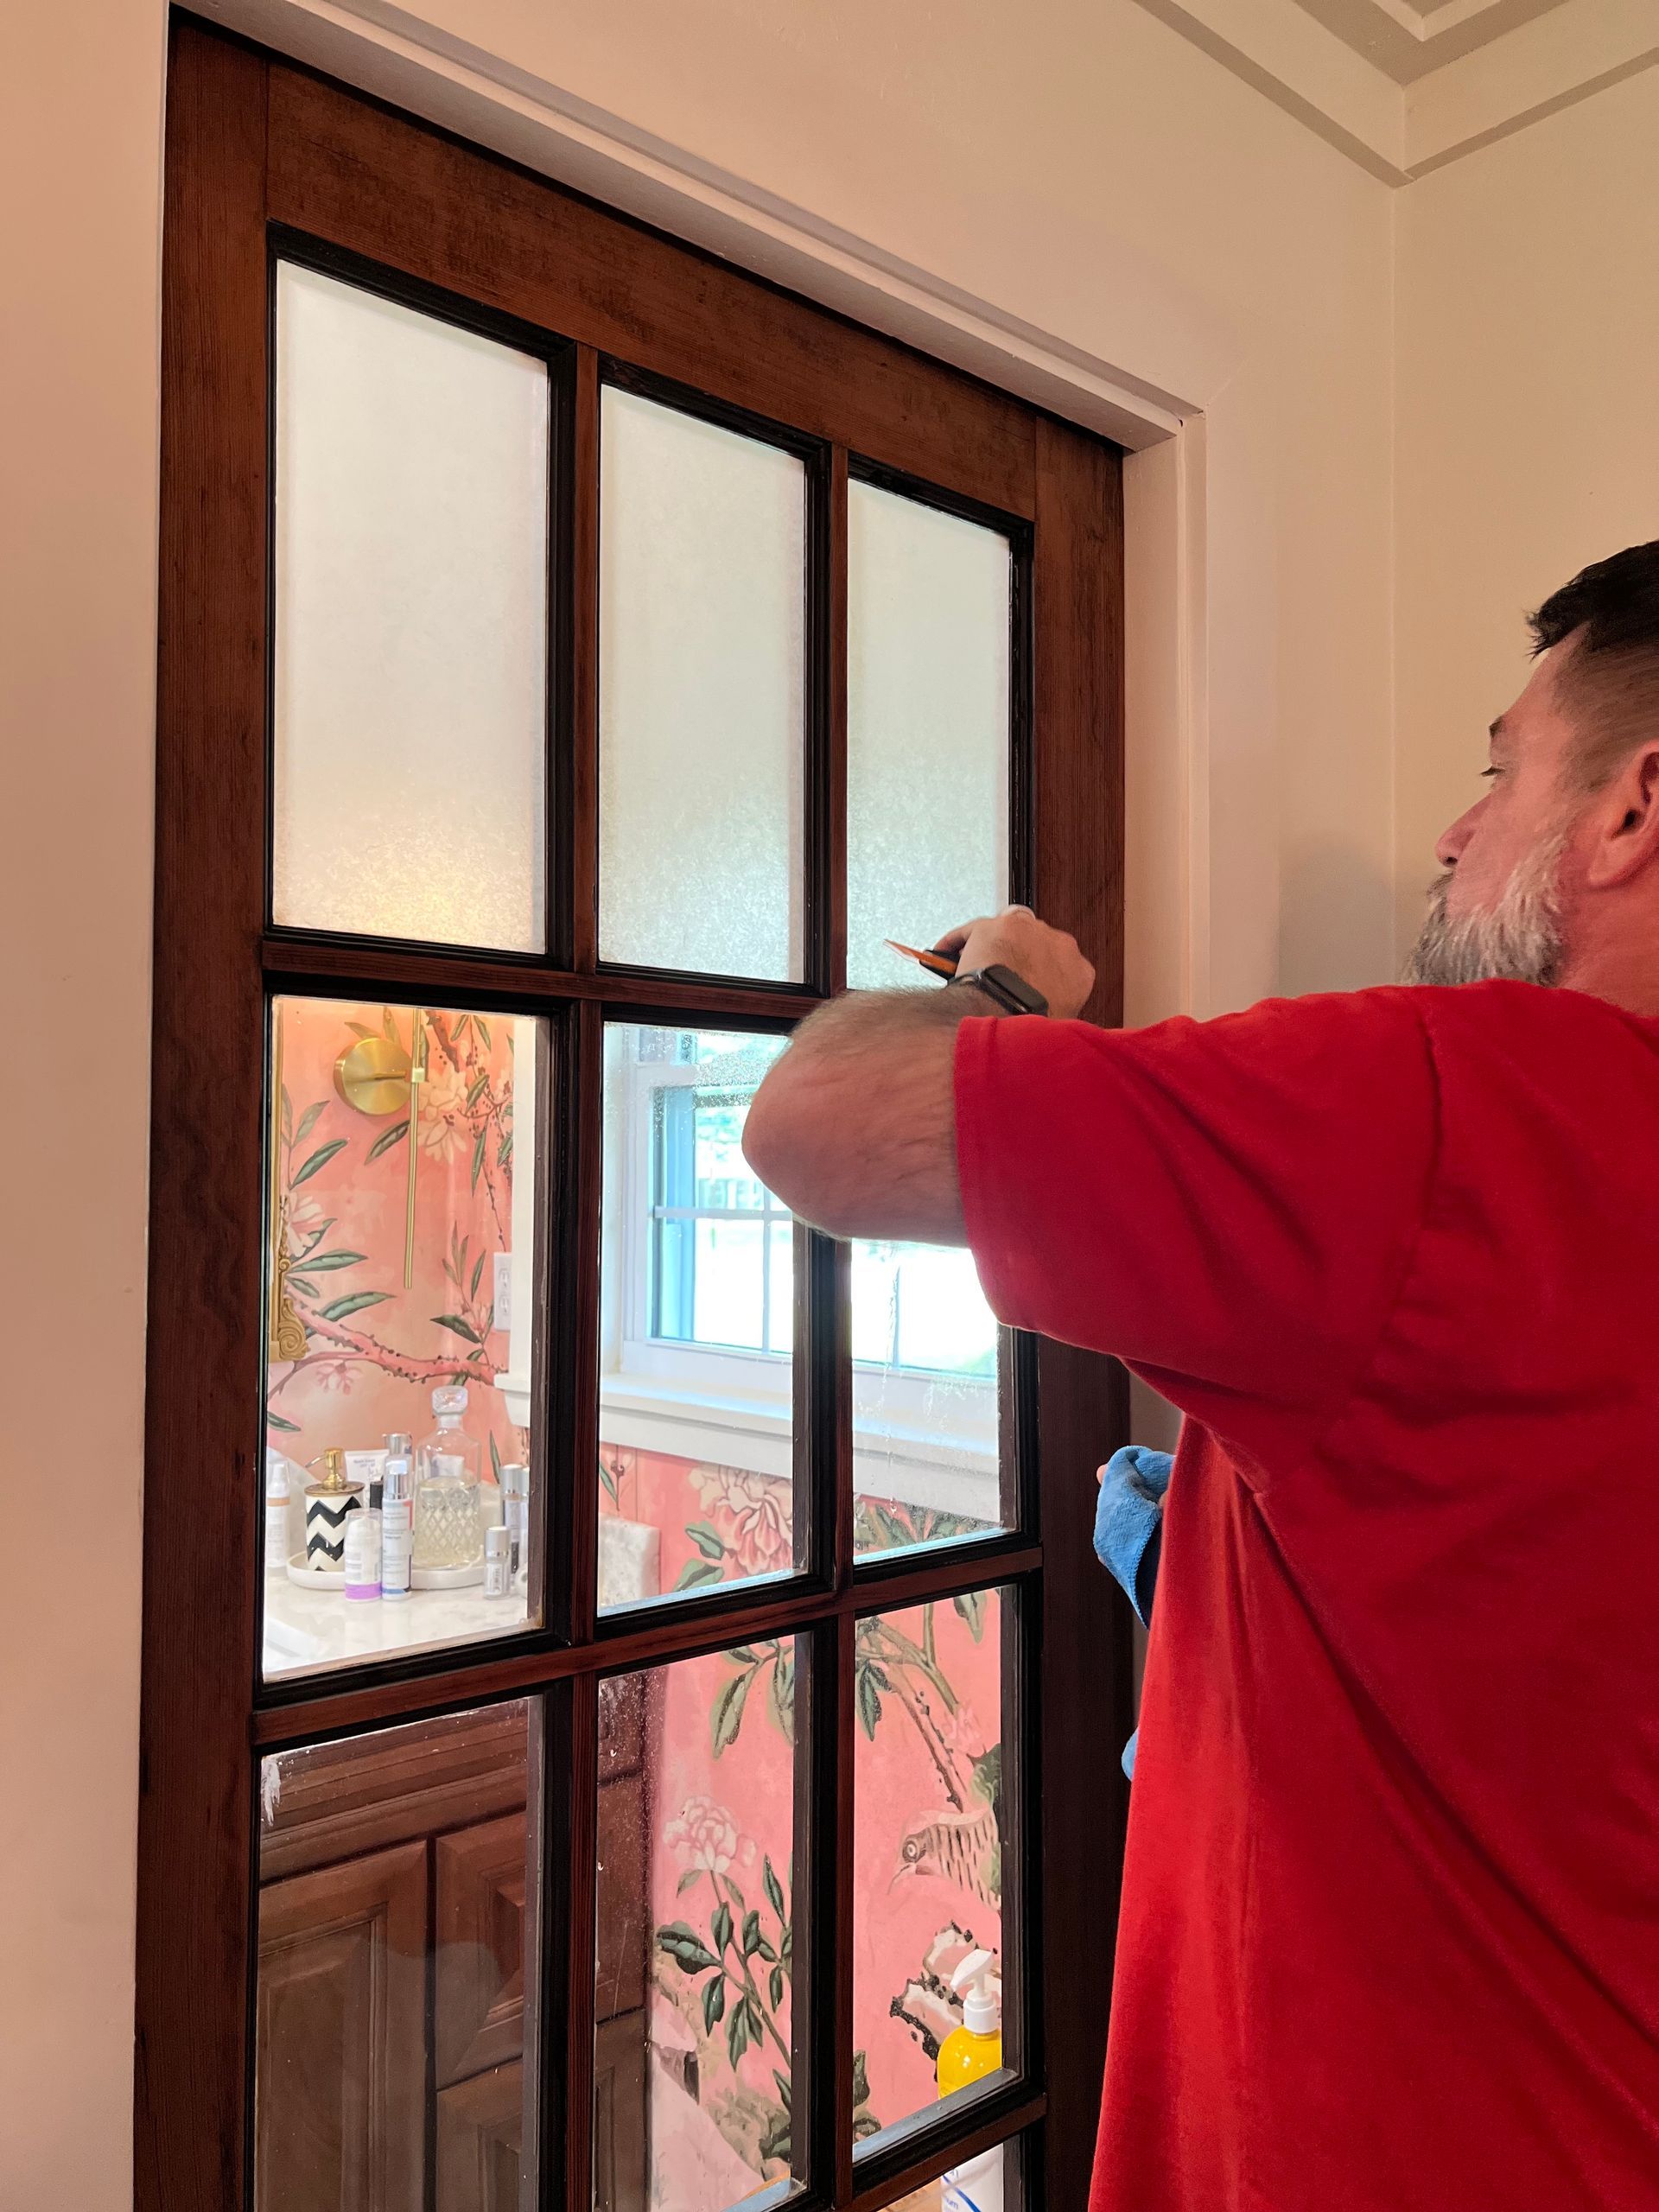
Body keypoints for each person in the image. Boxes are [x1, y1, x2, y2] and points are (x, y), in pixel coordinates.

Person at [742, 540, 1659, 2210]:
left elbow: (815, 1131)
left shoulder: (1449, 1108)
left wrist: (1014, 987)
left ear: (1633, 807)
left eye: (1500, 769)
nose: (1456, 832)